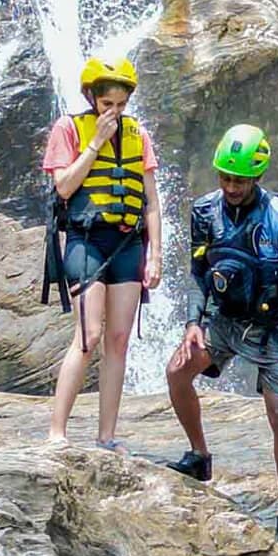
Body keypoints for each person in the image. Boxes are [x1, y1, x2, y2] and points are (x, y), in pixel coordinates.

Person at [164, 125, 278, 553]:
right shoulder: (204, 211)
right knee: (177, 372)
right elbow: (199, 273)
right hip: (225, 319)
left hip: (272, 329)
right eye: (225, 178)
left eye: (240, 180)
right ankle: (199, 456)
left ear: (257, 177)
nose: (231, 187)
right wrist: (193, 322)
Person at [41, 56, 163, 448]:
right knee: (89, 335)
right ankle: (57, 432)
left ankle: (106, 436)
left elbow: (151, 201)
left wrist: (156, 255)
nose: (114, 111)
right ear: (91, 97)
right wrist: (94, 143)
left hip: (128, 244)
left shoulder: (137, 134)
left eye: (121, 104)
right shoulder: (68, 128)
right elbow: (63, 186)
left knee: (119, 338)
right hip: (87, 240)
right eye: (107, 103)